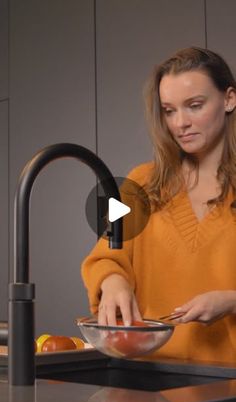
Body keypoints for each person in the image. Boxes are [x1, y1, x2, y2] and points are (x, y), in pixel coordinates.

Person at [81, 46, 236, 363]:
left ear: (229, 99)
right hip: (149, 375)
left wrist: (233, 300)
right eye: (169, 110)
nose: (180, 123)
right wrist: (113, 282)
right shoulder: (138, 183)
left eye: (194, 106)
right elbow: (106, 256)